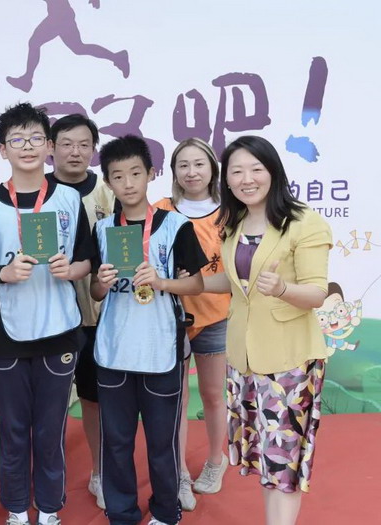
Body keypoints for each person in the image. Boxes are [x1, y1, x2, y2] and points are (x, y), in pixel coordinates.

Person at [0, 102, 94, 525]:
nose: (28, 146)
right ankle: (17, 508)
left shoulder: (69, 198)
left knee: (51, 428)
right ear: (3, 150)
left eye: (36, 137)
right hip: (6, 332)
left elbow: (86, 258)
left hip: (59, 329)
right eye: (17, 139)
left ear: (49, 146)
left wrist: (71, 269)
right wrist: (1, 274)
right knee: (14, 429)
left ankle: (50, 509)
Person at [202, 135, 332, 525]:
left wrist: (282, 289)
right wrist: (175, 283)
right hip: (244, 359)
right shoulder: (235, 222)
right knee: (266, 459)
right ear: (226, 180)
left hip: (289, 363)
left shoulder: (304, 222)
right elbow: (234, 283)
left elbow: (317, 292)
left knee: (284, 462)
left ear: (273, 171)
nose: (247, 179)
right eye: (237, 171)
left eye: (256, 169)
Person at [90, 134, 207, 525]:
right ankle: (121, 512)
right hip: (113, 351)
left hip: (161, 349)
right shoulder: (103, 229)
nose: (128, 183)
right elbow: (94, 291)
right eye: (118, 176)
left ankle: (166, 511)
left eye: (135, 173)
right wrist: (101, 283)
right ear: (108, 181)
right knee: (116, 442)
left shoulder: (175, 226)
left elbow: (196, 285)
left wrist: (161, 282)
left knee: (162, 442)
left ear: (151, 174)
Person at [153, 138, 230, 511]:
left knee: (213, 394)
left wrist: (194, 281)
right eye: (183, 165)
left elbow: (236, 272)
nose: (191, 172)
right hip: (171, 319)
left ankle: (216, 460)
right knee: (177, 399)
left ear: (213, 169)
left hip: (216, 316)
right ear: (173, 172)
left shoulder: (230, 213)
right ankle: (180, 470)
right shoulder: (160, 210)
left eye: (199, 164)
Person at [46, 113, 114, 510]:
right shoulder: (38, 193)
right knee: (47, 401)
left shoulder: (108, 192)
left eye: (84, 144)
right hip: (49, 315)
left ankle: (100, 471)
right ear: (51, 147)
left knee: (93, 397)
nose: (75, 152)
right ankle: (45, 475)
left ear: (93, 149)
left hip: (101, 314)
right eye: (67, 144)